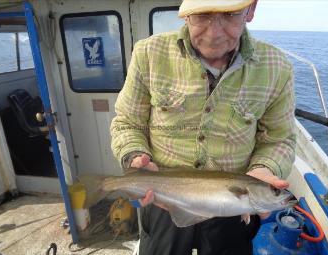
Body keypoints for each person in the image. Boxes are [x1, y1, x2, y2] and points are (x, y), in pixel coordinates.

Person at [110, 0, 296, 254]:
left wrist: (264, 169)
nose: (214, 33)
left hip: (233, 211)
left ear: (250, 10)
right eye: (202, 15)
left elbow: (279, 139)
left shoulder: (278, 67)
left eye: (230, 15)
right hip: (163, 200)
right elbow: (127, 123)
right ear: (186, 15)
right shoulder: (147, 54)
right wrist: (134, 156)